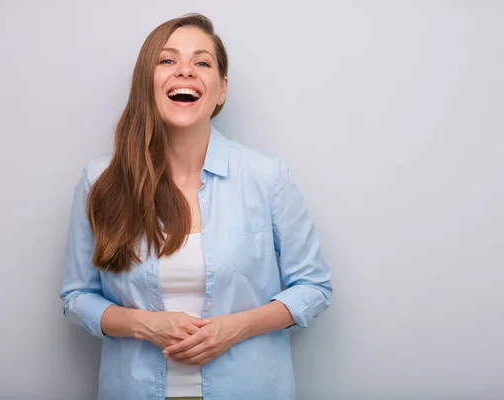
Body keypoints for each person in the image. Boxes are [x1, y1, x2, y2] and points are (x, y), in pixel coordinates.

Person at [60, 13, 332, 400]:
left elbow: (314, 287)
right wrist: (144, 325)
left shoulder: (266, 177)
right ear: (145, 83)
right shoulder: (99, 180)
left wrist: (236, 327)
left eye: (201, 62)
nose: (184, 71)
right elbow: (76, 297)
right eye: (167, 60)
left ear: (220, 90)